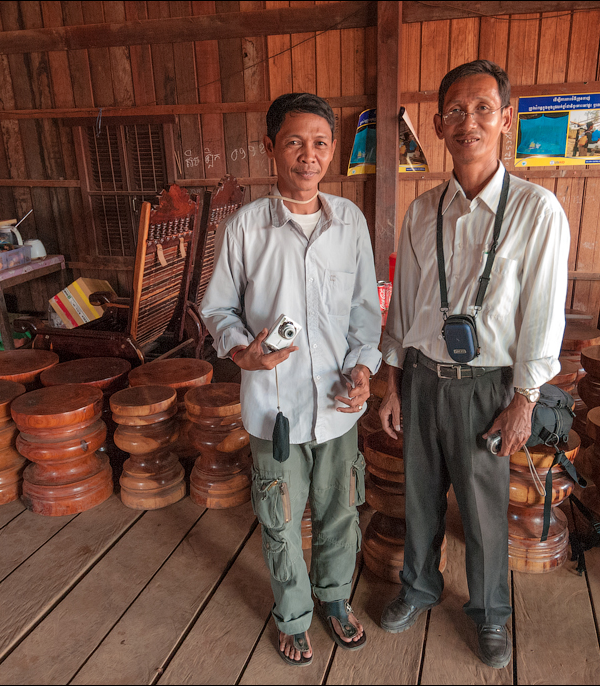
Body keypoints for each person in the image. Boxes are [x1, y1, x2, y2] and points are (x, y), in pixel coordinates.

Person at [377, 60, 569, 670]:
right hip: (423, 379)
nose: (469, 123)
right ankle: (418, 586)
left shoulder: (537, 211)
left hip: (490, 388)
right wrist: (391, 384)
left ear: (506, 120)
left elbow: (542, 315)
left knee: (486, 510)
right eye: (456, 111)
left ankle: (489, 612)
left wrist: (525, 400)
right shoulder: (421, 212)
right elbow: (404, 308)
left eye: (483, 108)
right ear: (438, 125)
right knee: (420, 496)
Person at [200, 92, 382, 667]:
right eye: (295, 142)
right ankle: (294, 614)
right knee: (279, 517)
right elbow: (218, 309)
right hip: (273, 405)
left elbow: (364, 313)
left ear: (332, 150)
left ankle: (335, 598)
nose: (309, 155)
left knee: (341, 509)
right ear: (270, 148)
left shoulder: (349, 222)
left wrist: (364, 368)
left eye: (320, 142)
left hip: (338, 404)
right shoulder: (246, 227)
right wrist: (242, 352)